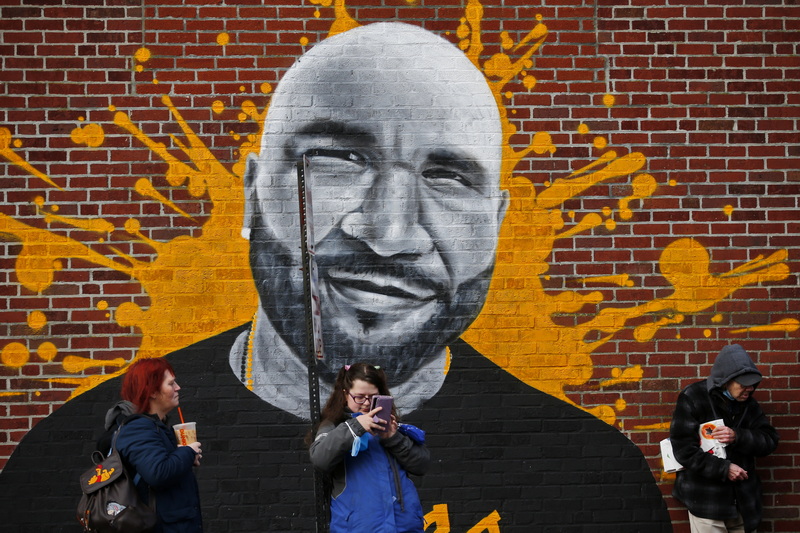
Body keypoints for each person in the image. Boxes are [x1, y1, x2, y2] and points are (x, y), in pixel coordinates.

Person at [0, 22, 672, 532]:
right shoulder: (62, 465)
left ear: (495, 224)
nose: (390, 231)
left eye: (446, 177)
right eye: (339, 158)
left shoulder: (596, 475)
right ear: (254, 195)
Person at [669, 344, 778, 533]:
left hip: (743, 503)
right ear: (726, 380)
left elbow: (769, 440)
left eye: (752, 384)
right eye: (743, 384)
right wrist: (724, 468)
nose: (749, 389)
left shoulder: (749, 405)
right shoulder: (693, 397)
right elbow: (683, 449)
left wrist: (738, 436)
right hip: (706, 501)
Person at [309, 363, 430, 532]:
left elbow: (422, 465)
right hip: (359, 527)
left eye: (373, 397)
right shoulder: (333, 426)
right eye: (359, 397)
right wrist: (356, 427)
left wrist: (393, 438)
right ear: (345, 395)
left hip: (404, 525)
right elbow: (319, 459)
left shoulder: (392, 427)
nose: (366, 403)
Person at [114, 358, 204, 533]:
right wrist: (187, 452)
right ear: (153, 391)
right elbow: (158, 472)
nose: (178, 387)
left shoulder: (157, 427)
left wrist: (185, 457)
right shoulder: (138, 429)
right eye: (171, 383)